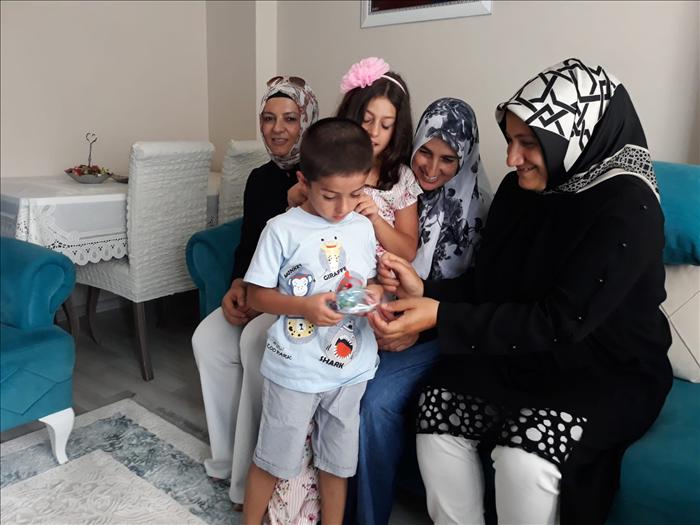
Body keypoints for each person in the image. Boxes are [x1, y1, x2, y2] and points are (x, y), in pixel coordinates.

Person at [370, 58, 672, 525]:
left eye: (528, 143)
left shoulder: (628, 209)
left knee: (524, 455)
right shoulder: (520, 191)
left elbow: (560, 321)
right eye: (511, 141)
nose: (511, 159)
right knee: (437, 410)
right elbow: (490, 283)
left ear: (576, 137)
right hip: (525, 353)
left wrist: (439, 316)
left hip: (605, 368)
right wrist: (426, 290)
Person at [346, 97, 491, 525]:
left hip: (443, 333)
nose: (432, 167)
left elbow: (479, 298)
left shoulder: (482, 212)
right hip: (383, 313)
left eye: (448, 159)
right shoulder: (395, 191)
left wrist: (420, 326)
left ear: (465, 159)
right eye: (425, 152)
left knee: (374, 401)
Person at [241, 117, 384, 524]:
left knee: (337, 464)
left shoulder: (363, 227)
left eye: (355, 193)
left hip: (350, 369)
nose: (343, 208)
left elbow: (364, 286)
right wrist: (304, 307)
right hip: (294, 371)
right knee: (274, 460)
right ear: (303, 181)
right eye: (330, 196)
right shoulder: (281, 230)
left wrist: (372, 297)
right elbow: (255, 296)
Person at [191, 75, 318, 510]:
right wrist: (235, 285)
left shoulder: (322, 177)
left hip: (295, 299)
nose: (277, 129)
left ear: (307, 121)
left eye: (289, 118)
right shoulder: (259, 177)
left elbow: (313, 254)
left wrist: (296, 203)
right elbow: (248, 244)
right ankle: (228, 459)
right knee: (208, 339)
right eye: (268, 118)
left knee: (253, 343)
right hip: (257, 289)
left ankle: (255, 478)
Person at [290, 57, 421, 262]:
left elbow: (408, 252)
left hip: (379, 277)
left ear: (397, 129)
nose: (374, 132)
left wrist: (376, 219)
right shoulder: (326, 162)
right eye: (367, 120)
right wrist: (295, 197)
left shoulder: (401, 178)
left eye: (386, 125)